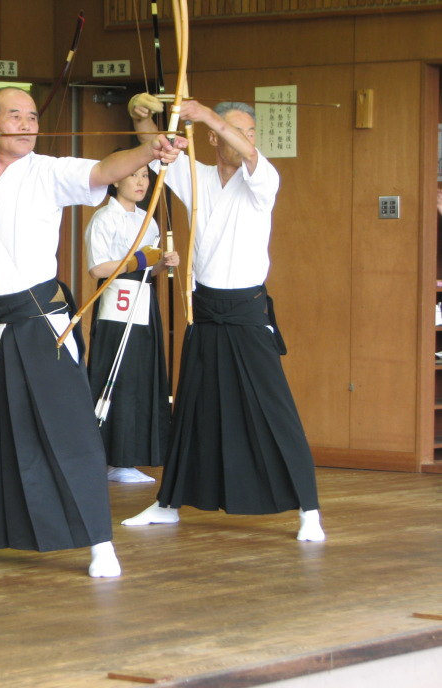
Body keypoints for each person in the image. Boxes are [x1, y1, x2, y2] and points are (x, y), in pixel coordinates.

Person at [0, 87, 185, 577]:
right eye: (15, 115)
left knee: (67, 427)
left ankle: (100, 542)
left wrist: (150, 150)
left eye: (33, 116)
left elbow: (105, 170)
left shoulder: (50, 171)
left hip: (37, 320)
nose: (28, 124)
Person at [122, 95, 325, 541]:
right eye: (233, 131)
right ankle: (167, 504)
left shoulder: (262, 180)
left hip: (246, 311)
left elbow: (249, 154)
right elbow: (155, 145)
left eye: (249, 132)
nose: (244, 139)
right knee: (192, 407)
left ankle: (308, 509)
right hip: (205, 308)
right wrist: (141, 114)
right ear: (213, 141)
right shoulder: (197, 176)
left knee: (273, 407)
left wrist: (206, 116)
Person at [85, 164, 178, 484]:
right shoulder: (103, 218)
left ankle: (131, 456)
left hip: (142, 300)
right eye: (133, 175)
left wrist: (162, 263)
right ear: (116, 181)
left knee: (141, 375)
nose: (140, 182)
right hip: (116, 303)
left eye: (145, 176)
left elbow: (148, 269)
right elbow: (97, 268)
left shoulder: (147, 220)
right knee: (116, 375)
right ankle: (111, 458)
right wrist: (140, 260)